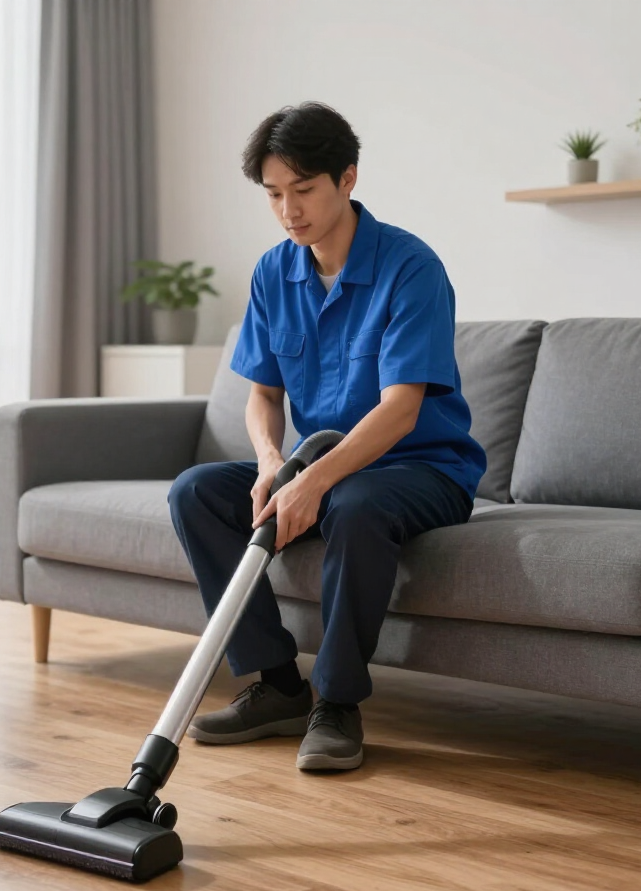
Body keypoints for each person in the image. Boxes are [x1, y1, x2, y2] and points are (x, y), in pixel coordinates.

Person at [168, 102, 486, 771]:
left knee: (354, 501)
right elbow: (262, 392)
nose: (290, 210)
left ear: (348, 179)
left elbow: (402, 410)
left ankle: (337, 704)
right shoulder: (272, 272)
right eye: (275, 195)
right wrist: (270, 462)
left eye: (304, 190)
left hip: (422, 470)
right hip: (320, 464)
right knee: (196, 493)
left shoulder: (410, 268)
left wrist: (313, 481)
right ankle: (279, 686)